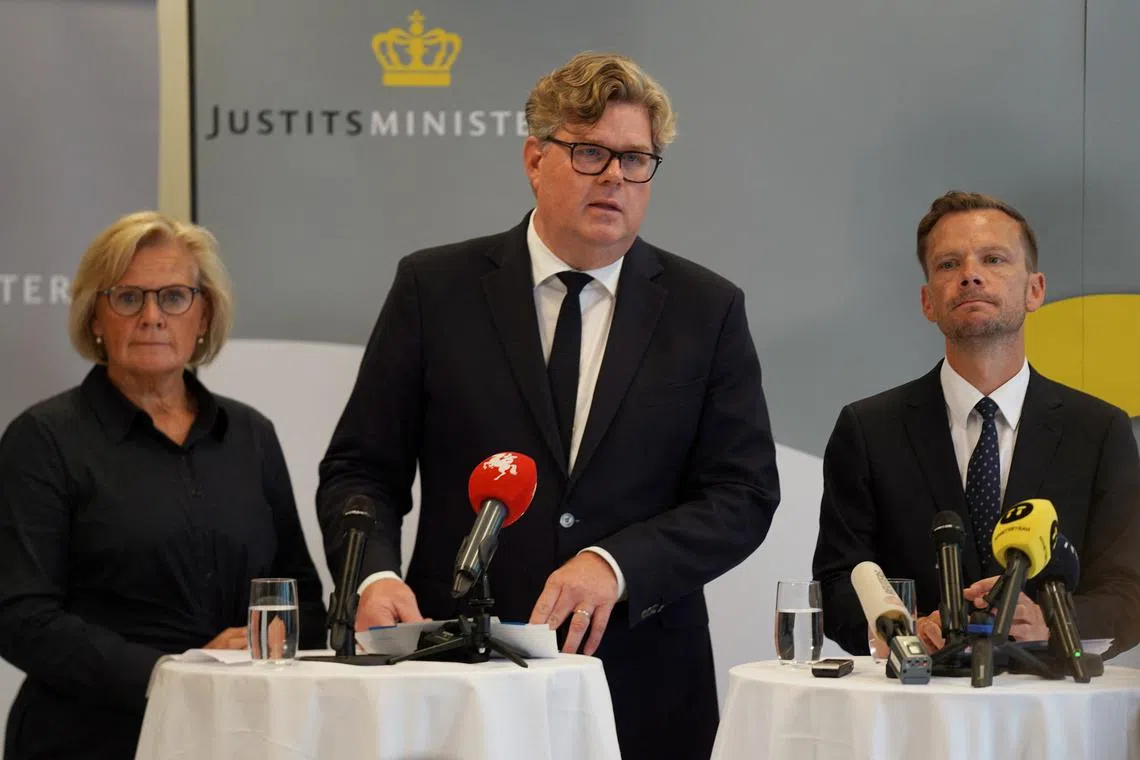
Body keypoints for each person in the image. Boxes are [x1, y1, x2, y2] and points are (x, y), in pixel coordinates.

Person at [318, 52, 780, 759]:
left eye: (635, 159)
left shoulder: (706, 309)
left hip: (641, 679)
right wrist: (373, 576)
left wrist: (616, 563)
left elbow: (742, 493)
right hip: (457, 680)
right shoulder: (434, 289)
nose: (614, 178)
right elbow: (361, 470)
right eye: (590, 152)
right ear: (536, 159)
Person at [0, 212, 326, 760]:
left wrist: (270, 644)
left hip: (240, 737)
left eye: (174, 296)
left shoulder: (250, 436)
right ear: (96, 317)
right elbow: (20, 616)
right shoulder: (43, 439)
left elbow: (301, 598)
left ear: (204, 315)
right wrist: (174, 675)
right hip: (88, 739)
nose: (152, 316)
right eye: (128, 297)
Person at [813, 191, 1140, 659]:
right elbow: (837, 582)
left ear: (1035, 289)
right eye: (948, 264)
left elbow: (1129, 592)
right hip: (915, 705)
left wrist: (1050, 619)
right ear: (928, 301)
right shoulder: (868, 429)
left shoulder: (1099, 430)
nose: (970, 274)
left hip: (1051, 710)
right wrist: (901, 631)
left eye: (993, 258)